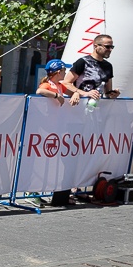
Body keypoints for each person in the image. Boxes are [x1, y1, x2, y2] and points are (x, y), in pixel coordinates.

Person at [37, 59, 76, 207]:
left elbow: (74, 91)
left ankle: (57, 195)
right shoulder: (49, 84)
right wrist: (56, 96)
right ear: (58, 72)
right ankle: (36, 193)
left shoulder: (60, 85)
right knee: (43, 162)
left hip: (57, 129)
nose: (65, 73)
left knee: (56, 163)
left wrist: (76, 94)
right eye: (64, 71)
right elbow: (39, 91)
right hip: (46, 130)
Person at [62, 34, 120, 105]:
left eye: (112, 47)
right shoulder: (83, 62)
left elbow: (107, 92)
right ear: (96, 46)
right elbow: (65, 83)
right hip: (79, 105)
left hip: (97, 108)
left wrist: (113, 94)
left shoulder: (108, 66)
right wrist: (83, 93)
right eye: (107, 47)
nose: (110, 50)